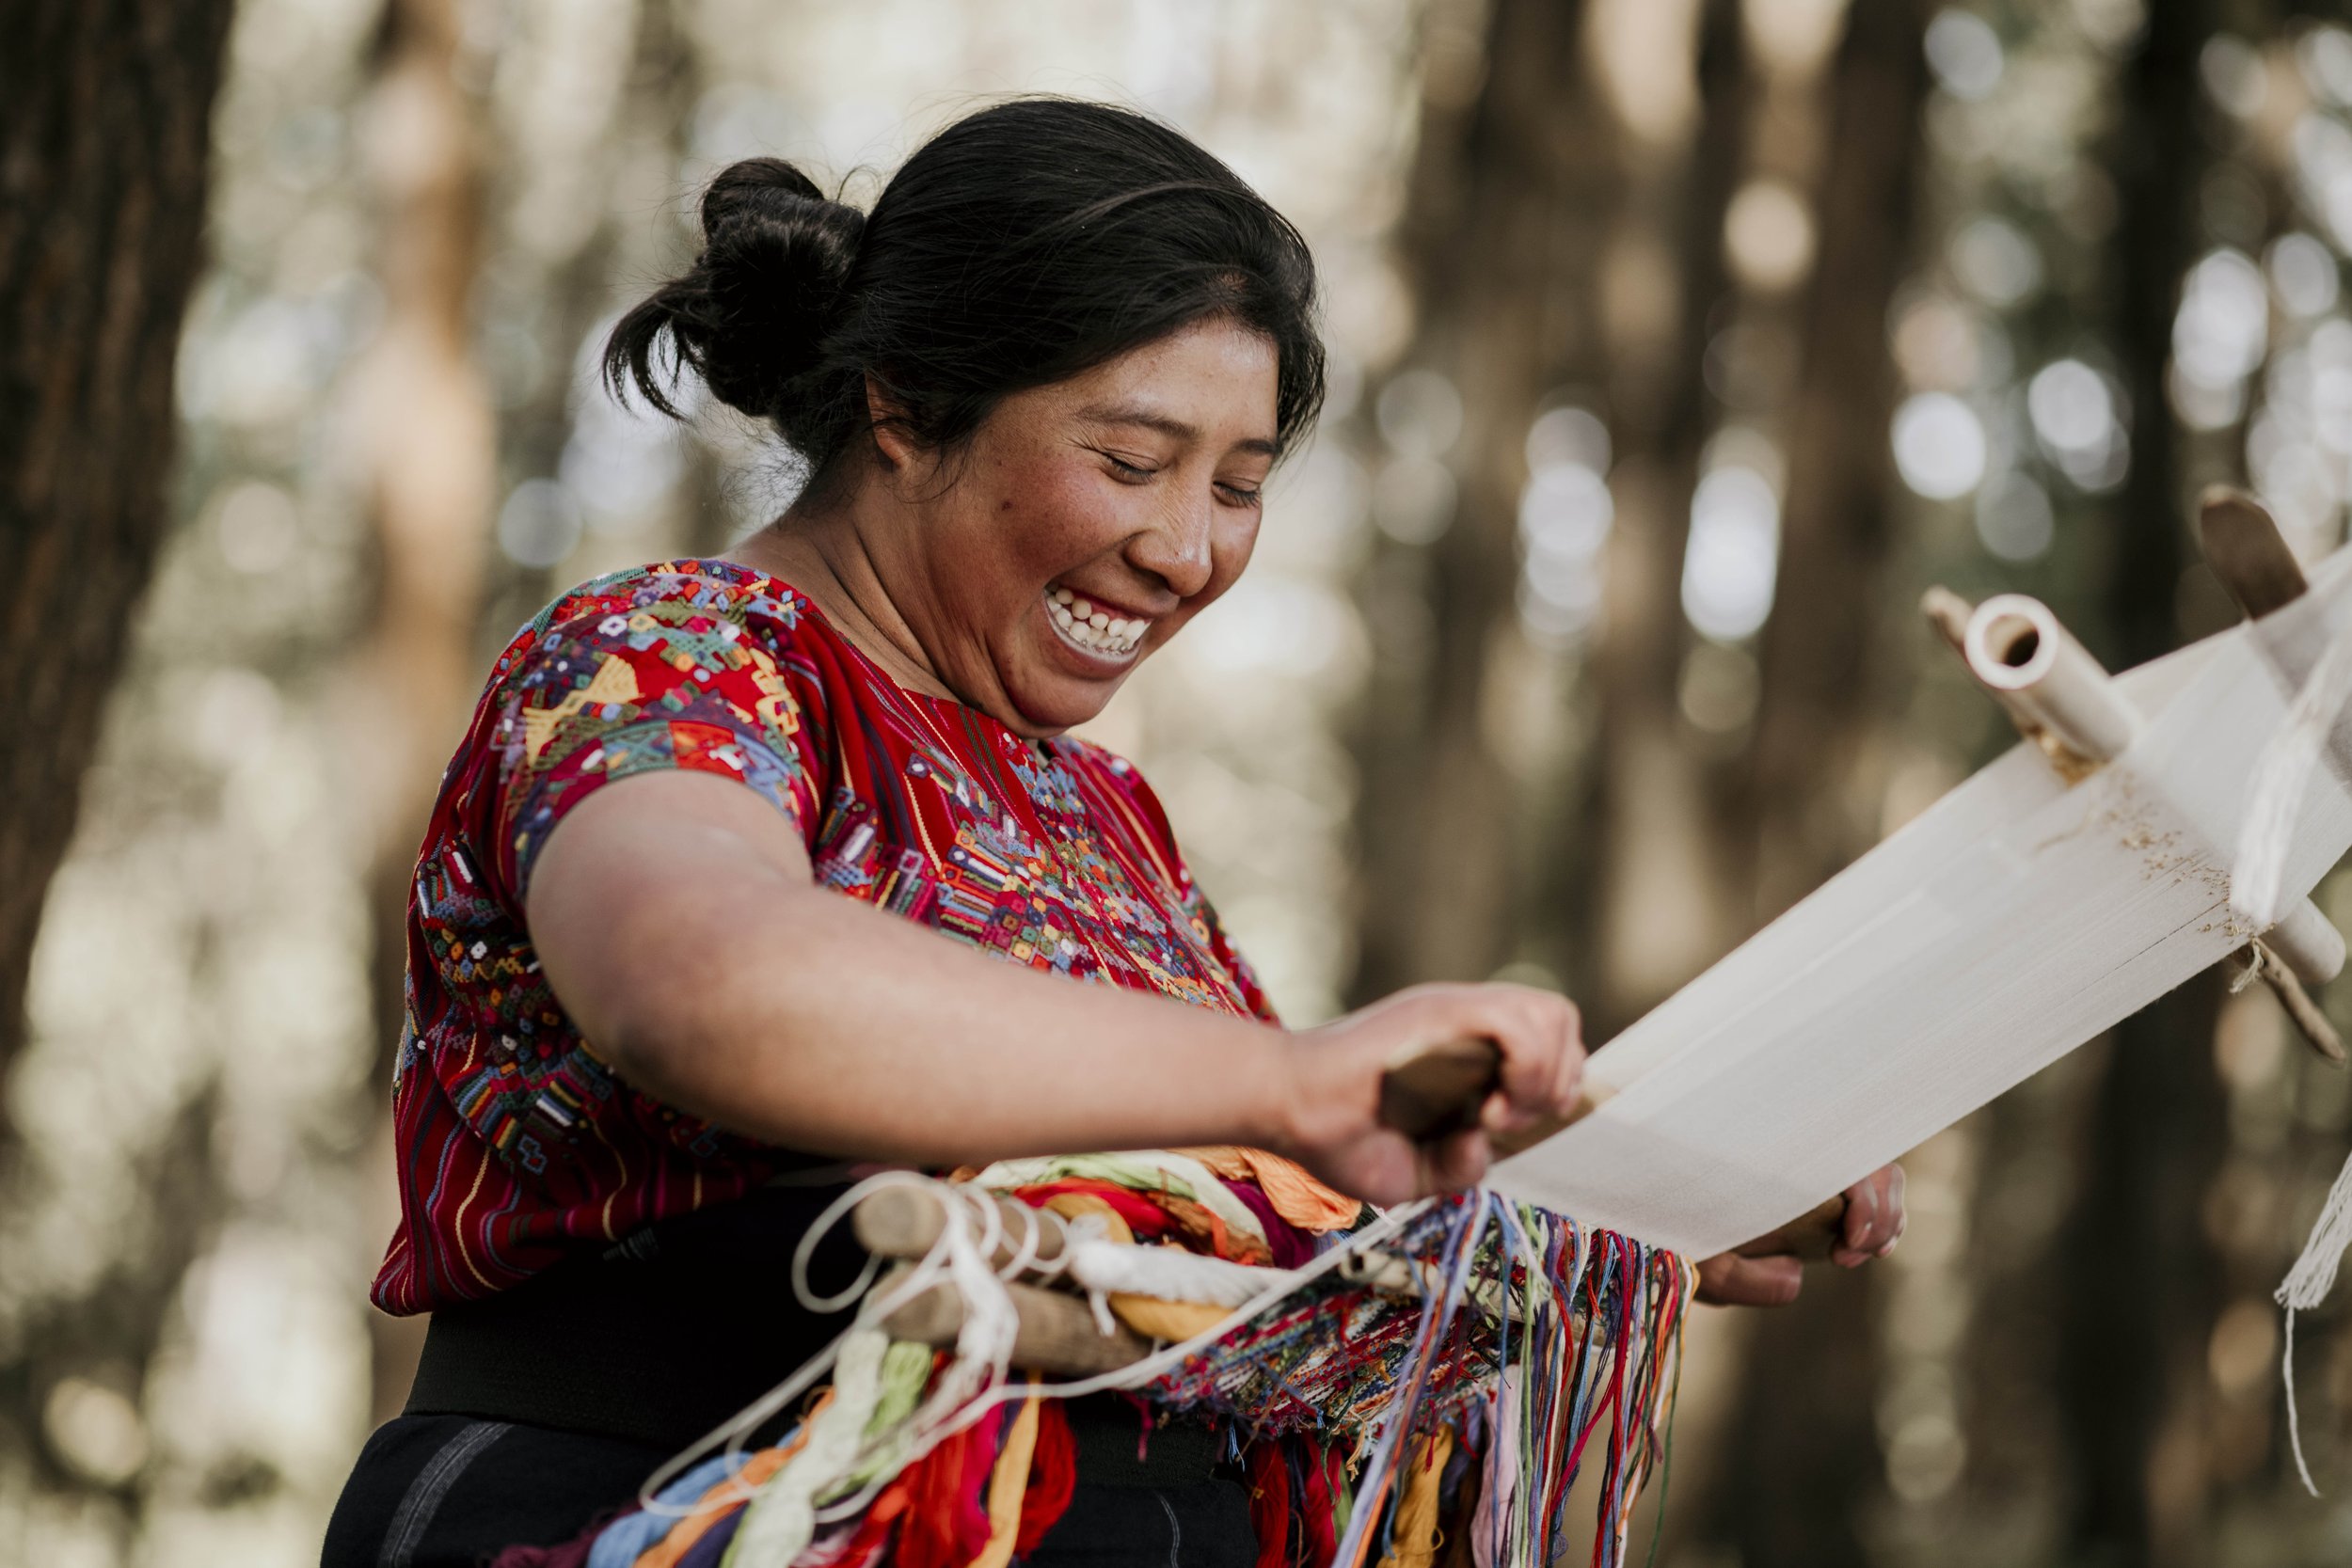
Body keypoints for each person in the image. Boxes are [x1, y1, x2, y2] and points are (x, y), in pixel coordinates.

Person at [323, 96, 1904, 1568]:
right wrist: (1297, 1075)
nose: (1190, 549)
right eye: (1133, 461)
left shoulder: (1095, 809)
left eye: (1241, 482)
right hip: (649, 1504)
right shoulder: (672, 655)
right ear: (904, 402)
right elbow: (694, 980)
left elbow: (1266, 1199)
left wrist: (1644, 1205)